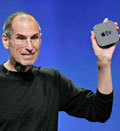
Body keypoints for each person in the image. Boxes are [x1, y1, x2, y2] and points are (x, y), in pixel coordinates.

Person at [0, 11, 119, 131]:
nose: (30, 47)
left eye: (34, 38)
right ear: (6, 40)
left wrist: (104, 63)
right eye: (21, 38)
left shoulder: (52, 80)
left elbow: (99, 111)